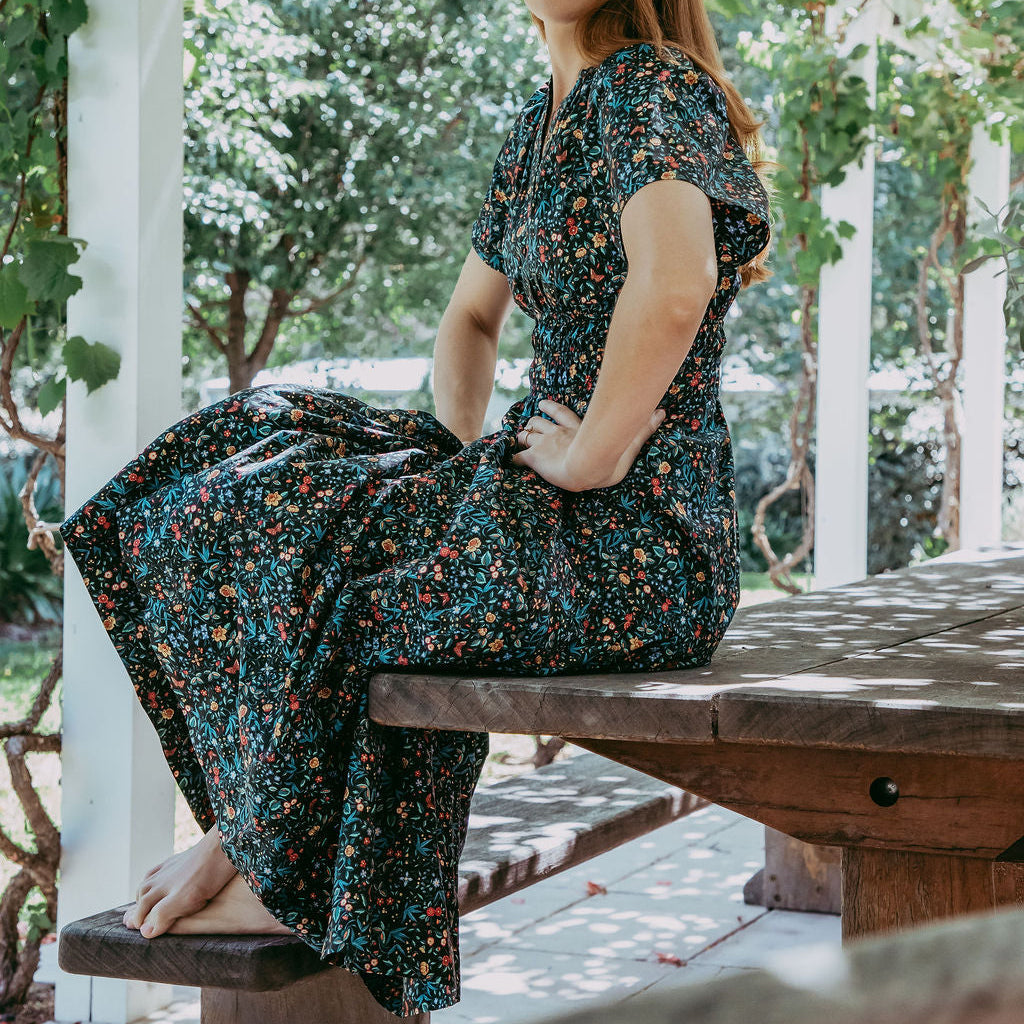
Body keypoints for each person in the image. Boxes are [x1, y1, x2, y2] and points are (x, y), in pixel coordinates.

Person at [58, 0, 772, 1016]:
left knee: (356, 582)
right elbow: (470, 320)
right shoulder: (541, 121)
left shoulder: (645, 86)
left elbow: (674, 283)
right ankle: (261, 838)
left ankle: (280, 874)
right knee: (229, 482)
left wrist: (589, 458)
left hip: (637, 540)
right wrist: (449, 462)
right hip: (539, 501)